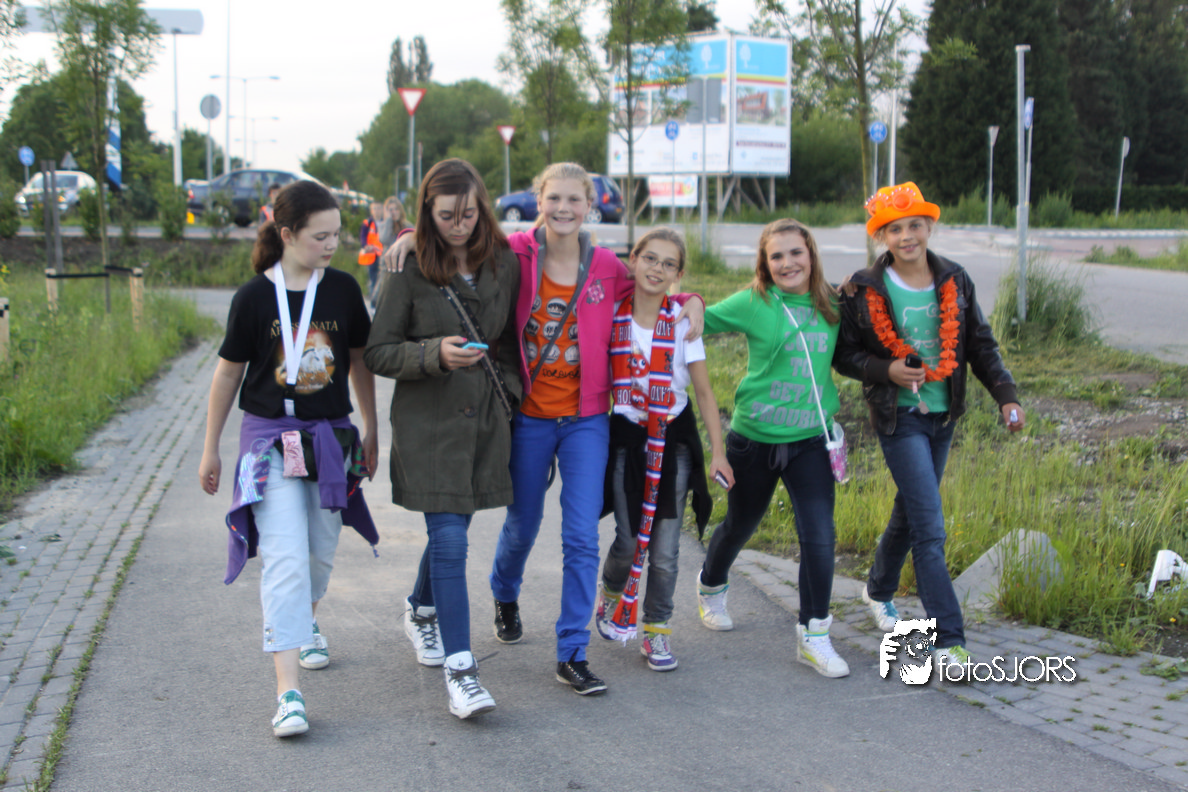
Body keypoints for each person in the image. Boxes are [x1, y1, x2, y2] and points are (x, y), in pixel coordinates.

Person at [384, 162, 702, 695]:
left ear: (590, 206)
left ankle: (572, 652)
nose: (564, 209)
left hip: (586, 419)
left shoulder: (607, 266)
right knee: (523, 523)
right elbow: (457, 237)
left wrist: (693, 300)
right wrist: (409, 235)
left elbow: (658, 289)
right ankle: (504, 591)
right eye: (554, 198)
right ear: (539, 201)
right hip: (527, 414)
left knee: (580, 536)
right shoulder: (512, 253)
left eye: (575, 200)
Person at [198, 179, 379, 738]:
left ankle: (306, 623)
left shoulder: (343, 290)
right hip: (268, 441)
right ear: (287, 234)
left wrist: (373, 426)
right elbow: (227, 373)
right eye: (320, 236)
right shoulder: (254, 298)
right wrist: (211, 447)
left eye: (337, 235)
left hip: (329, 439)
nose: (332, 245)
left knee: (320, 554)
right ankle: (288, 693)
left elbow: (358, 361)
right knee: (284, 556)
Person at [835, 182, 1024, 674]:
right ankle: (949, 639)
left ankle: (877, 588)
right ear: (882, 237)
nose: (907, 236)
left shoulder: (955, 279)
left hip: (943, 415)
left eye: (915, 225)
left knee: (911, 509)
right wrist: (886, 370)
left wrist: (1006, 395)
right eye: (895, 229)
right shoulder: (865, 288)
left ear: (929, 228)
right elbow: (845, 354)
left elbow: (979, 343)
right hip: (898, 419)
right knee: (930, 528)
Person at [364, 159, 521, 719]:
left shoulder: (505, 262)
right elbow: (378, 350)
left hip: (485, 422)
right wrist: (433, 353)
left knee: (452, 529)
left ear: (483, 209)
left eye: (469, 215)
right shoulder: (407, 267)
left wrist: (510, 390)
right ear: (427, 212)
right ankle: (462, 674)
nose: (459, 226)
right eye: (446, 216)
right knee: (452, 542)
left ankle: (420, 608)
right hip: (428, 424)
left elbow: (511, 339)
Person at [694, 218, 851, 678]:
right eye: (776, 255)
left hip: (811, 442)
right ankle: (710, 585)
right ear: (765, 263)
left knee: (819, 535)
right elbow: (698, 319)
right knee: (739, 525)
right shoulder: (754, 302)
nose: (787, 263)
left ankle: (813, 635)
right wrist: (693, 301)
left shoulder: (833, 304)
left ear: (811, 255)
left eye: (795, 253)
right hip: (753, 441)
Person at [594, 227, 732, 672]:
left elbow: (704, 392)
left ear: (678, 274)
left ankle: (656, 628)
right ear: (633, 260)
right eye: (650, 258)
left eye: (668, 264)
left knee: (667, 551)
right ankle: (611, 589)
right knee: (628, 539)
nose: (657, 269)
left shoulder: (683, 322)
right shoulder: (611, 315)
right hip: (626, 439)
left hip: (672, 441)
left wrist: (718, 452)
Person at [373, 196, 410, 308]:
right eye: (390, 210)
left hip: (403, 265)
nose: (394, 212)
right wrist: (389, 220)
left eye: (396, 209)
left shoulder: (407, 226)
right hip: (387, 266)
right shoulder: (384, 225)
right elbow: (385, 239)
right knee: (380, 294)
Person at [359, 201, 384, 305]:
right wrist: (365, 246)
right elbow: (363, 236)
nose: (376, 211)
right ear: (371, 210)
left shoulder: (386, 222)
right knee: (373, 278)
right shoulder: (367, 223)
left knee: (382, 278)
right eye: (374, 209)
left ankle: (379, 299)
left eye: (378, 208)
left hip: (382, 254)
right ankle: (374, 301)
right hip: (371, 254)